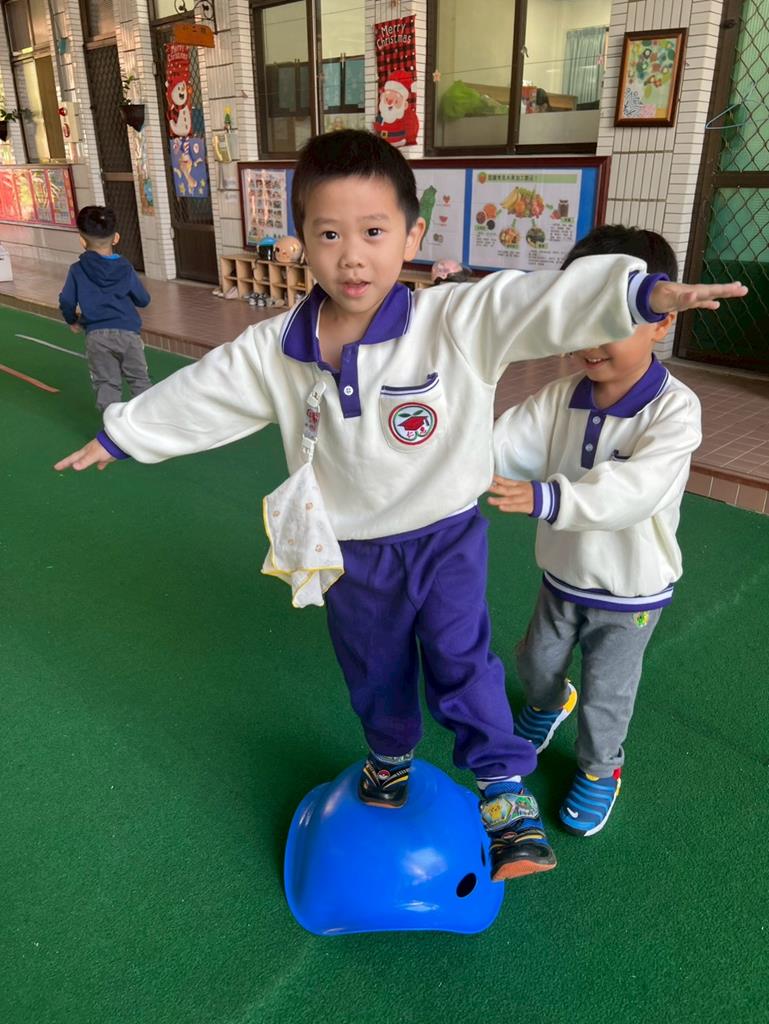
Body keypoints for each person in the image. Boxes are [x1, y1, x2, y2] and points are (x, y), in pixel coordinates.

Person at [53, 132, 745, 882]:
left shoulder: (453, 320)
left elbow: (534, 298)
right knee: (372, 665)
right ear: (300, 241)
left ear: (413, 236)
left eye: (374, 232)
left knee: (461, 658)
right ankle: (389, 755)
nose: (352, 257)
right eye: (329, 234)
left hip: (444, 538)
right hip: (350, 550)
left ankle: (503, 789)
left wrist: (636, 294)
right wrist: (125, 434)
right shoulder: (278, 346)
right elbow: (207, 388)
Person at [490, 226, 702, 838]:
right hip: (563, 574)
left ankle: (599, 766)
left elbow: (637, 490)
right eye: (579, 314)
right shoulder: (560, 397)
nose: (589, 336)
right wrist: (444, 453)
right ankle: (548, 702)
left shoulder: (675, 410)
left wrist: (548, 496)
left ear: (660, 320)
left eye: (609, 317)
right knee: (536, 660)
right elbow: (501, 444)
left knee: (608, 694)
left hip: (632, 591)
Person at [59, 206, 152, 413]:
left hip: (96, 336)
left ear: (82, 240)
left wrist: (72, 320)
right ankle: (146, 423)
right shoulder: (125, 268)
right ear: (116, 237)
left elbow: (66, 300)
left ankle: (111, 427)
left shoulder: (77, 270)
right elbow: (143, 300)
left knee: (106, 383)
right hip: (128, 333)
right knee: (139, 380)